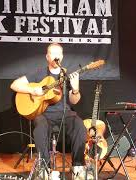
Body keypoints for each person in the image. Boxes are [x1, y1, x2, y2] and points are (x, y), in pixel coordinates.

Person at [10, 43, 88, 179]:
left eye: (59, 53)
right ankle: (45, 168)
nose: (56, 56)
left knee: (79, 125)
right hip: (44, 114)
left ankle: (78, 167)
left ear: (62, 56)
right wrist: (32, 90)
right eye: (52, 53)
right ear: (47, 56)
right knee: (39, 127)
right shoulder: (39, 73)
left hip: (65, 113)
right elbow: (14, 85)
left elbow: (74, 101)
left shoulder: (68, 75)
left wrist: (75, 90)